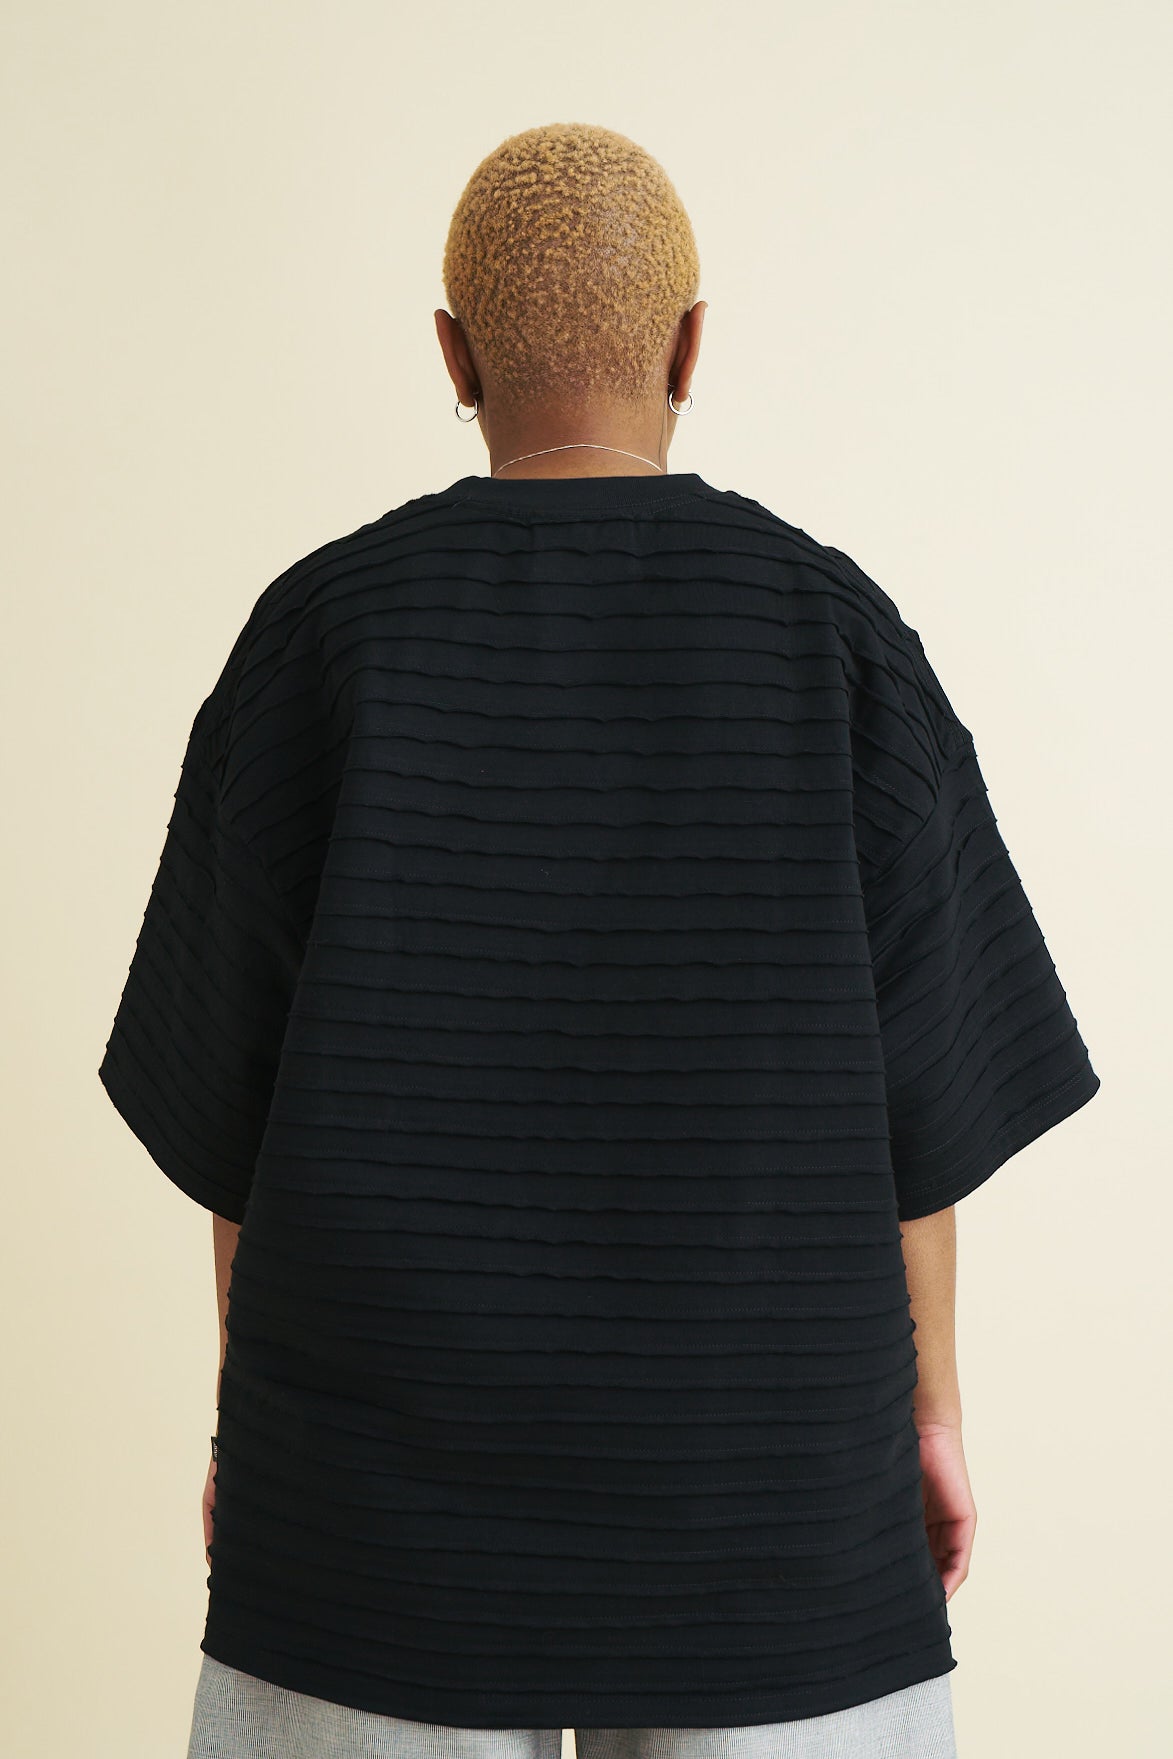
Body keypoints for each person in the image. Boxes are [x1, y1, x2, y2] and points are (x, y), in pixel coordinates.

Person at [97, 122, 1100, 1759]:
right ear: (692, 348)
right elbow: (924, 1122)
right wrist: (931, 1417)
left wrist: (249, 1429)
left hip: (365, 1542)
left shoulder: (318, 638)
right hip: (780, 1532)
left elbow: (234, 1129)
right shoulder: (834, 635)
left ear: (453, 357)